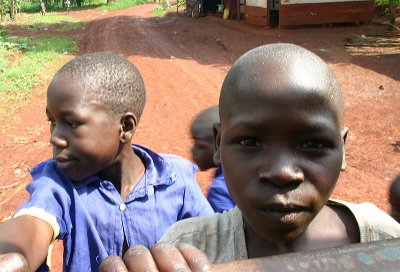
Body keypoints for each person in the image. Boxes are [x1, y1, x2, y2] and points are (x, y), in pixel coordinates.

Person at [99, 43, 400, 271]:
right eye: (250, 141)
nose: (282, 172)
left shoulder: (383, 237)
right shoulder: (189, 248)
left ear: (343, 149)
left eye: (312, 144)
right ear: (218, 144)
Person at [0, 52, 214, 272]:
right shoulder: (59, 183)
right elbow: (34, 221)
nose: (54, 137)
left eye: (71, 123)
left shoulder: (174, 179)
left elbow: (215, 239)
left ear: (126, 128)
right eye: (52, 121)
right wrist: (11, 255)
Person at [190, 105, 234, 213]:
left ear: (218, 143)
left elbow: (226, 229)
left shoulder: (219, 191)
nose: (193, 150)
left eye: (199, 145)